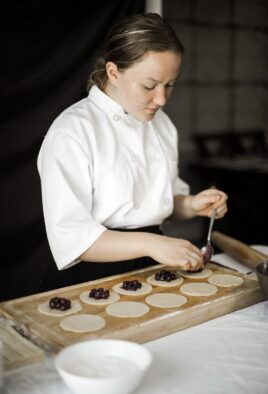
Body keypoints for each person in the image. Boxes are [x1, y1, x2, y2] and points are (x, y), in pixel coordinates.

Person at [37, 13, 228, 291]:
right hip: (87, 278)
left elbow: (157, 204)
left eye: (170, 85)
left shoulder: (162, 125)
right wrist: (152, 244)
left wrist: (191, 205)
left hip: (152, 267)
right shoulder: (72, 131)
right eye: (149, 86)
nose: (161, 99)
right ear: (113, 72)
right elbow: (72, 239)